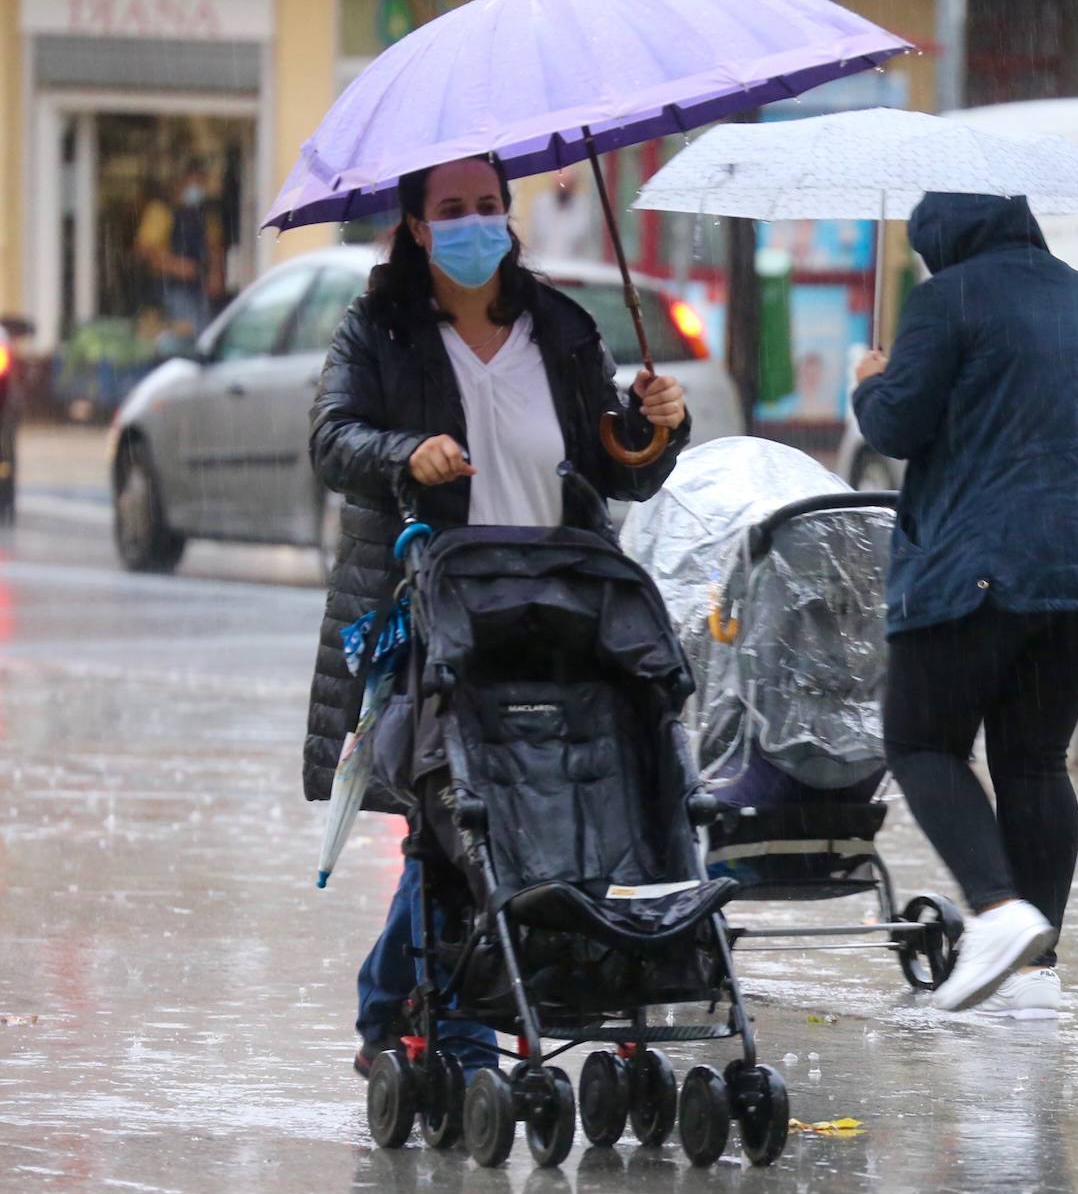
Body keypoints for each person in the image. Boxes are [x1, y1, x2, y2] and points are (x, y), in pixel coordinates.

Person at [303, 155, 689, 1078]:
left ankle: (411, 997)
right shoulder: (379, 329)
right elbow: (331, 439)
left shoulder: (558, 328)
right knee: (447, 816)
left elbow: (617, 469)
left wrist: (657, 430)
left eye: (488, 204)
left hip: (559, 604)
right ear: (417, 224)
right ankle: (452, 1031)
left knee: (532, 801)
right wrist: (408, 453)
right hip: (435, 606)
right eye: (453, 208)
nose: (475, 221)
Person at [853, 192, 1078, 1019]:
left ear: (942, 231)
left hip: (985, 561)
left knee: (919, 741)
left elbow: (899, 426)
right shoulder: (1074, 290)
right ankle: (1036, 968)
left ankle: (997, 910)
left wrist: (871, 384)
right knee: (1032, 759)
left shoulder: (947, 296)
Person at [134, 159, 222, 334]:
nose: (197, 188)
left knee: (203, 331)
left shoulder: (205, 214)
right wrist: (175, 265)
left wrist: (215, 274)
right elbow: (144, 250)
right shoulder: (161, 211)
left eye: (201, 183)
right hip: (169, 286)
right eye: (194, 182)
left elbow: (214, 245)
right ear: (181, 183)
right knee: (182, 333)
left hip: (199, 285)